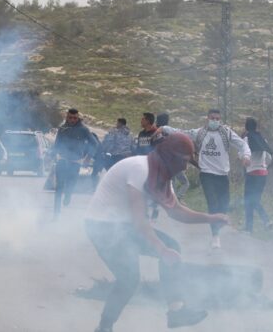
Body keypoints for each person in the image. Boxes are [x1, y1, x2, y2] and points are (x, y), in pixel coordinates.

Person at [85, 133, 228, 332]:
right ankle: (104, 328)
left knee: (171, 249)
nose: (185, 168)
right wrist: (161, 249)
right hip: (101, 225)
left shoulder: (162, 175)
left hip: (122, 226)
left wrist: (210, 218)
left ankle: (176, 312)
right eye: (184, 161)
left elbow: (176, 211)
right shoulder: (140, 169)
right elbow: (139, 220)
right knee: (129, 279)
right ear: (171, 157)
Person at [162, 109, 251, 249]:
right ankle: (215, 236)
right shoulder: (200, 132)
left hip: (222, 174)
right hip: (206, 173)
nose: (215, 121)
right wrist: (165, 128)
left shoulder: (226, 132)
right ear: (207, 118)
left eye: (217, 119)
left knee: (224, 204)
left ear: (220, 120)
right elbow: (182, 133)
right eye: (212, 118)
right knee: (212, 203)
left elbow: (242, 144)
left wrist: (245, 156)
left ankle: (218, 225)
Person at [49, 109, 96, 219]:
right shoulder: (62, 129)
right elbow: (57, 144)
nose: (72, 120)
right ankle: (56, 214)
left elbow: (94, 143)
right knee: (59, 188)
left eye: (75, 118)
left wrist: (88, 157)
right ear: (67, 117)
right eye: (70, 117)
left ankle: (68, 195)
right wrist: (51, 155)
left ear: (78, 118)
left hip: (75, 162)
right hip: (62, 160)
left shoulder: (84, 130)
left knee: (70, 185)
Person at [242, 117, 273, 232]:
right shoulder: (262, 139)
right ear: (256, 127)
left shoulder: (246, 139)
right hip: (263, 174)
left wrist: (248, 164)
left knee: (249, 201)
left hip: (252, 174)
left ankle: (254, 226)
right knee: (255, 200)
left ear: (246, 127)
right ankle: (258, 225)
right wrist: (264, 165)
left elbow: (243, 156)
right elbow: (269, 157)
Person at [156, 113, 189, 199]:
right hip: (173, 163)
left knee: (168, 184)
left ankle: (170, 200)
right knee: (184, 183)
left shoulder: (156, 132)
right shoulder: (170, 133)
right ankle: (176, 200)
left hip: (160, 162)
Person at [92, 118, 132, 186]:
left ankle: (97, 184)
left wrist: (104, 151)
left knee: (110, 171)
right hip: (126, 157)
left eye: (117, 123)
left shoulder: (115, 132)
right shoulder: (129, 134)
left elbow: (108, 144)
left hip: (116, 156)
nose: (116, 124)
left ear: (120, 123)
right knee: (121, 175)